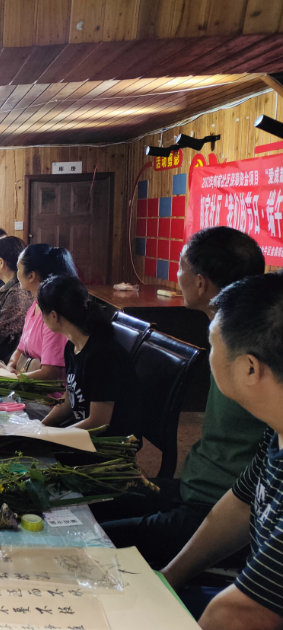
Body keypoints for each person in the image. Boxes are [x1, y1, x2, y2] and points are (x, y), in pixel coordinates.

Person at [97, 226, 267, 568]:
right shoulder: (236, 332)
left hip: (214, 510)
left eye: (180, 268)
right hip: (192, 489)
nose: (177, 276)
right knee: (80, 502)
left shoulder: (251, 355)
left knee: (86, 543)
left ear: (201, 282)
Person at [161, 272, 283, 628]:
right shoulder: (275, 430)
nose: (208, 355)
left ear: (249, 368)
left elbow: (242, 613)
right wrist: (170, 576)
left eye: (214, 345)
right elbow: (240, 505)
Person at [37, 275, 142, 439]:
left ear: (53, 315)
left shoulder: (103, 355)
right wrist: (40, 427)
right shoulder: (72, 345)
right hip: (85, 435)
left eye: (41, 312)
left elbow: (99, 423)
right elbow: (69, 398)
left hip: (109, 443)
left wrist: (54, 438)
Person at [7, 244, 78, 381]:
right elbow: (20, 349)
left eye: (18, 269)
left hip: (49, 392)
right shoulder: (35, 304)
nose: (16, 274)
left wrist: (14, 379)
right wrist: (10, 367)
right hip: (27, 379)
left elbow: (50, 373)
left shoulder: (53, 315)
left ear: (31, 275)